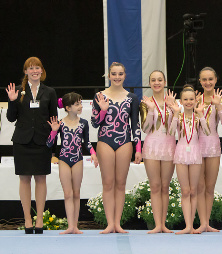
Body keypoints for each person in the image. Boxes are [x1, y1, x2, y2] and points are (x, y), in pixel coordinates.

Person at [6, 57, 57, 234]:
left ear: (42, 71)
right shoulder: (18, 91)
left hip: (42, 142)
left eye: (37, 68)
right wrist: (12, 101)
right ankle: (27, 218)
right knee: (24, 179)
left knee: (41, 178)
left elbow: (54, 122)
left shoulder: (49, 92)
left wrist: (53, 148)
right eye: (31, 68)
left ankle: (40, 219)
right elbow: (11, 118)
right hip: (22, 141)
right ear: (26, 72)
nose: (35, 71)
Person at [91, 62, 142, 234]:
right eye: (114, 74)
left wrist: (138, 148)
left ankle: (117, 223)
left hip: (125, 142)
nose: (117, 77)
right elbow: (95, 123)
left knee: (120, 184)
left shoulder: (132, 98)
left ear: (125, 76)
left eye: (120, 74)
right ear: (109, 75)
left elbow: (135, 124)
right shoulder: (100, 96)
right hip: (105, 140)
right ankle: (109, 223)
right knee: (108, 183)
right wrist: (103, 110)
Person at [47, 92, 98, 234]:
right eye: (77, 104)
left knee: (76, 193)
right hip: (63, 159)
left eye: (81, 103)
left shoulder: (84, 123)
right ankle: (70, 226)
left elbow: (87, 142)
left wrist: (93, 154)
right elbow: (49, 144)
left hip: (77, 159)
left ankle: (75, 226)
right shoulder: (60, 123)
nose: (81, 106)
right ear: (68, 108)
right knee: (68, 194)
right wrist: (53, 131)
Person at [167, 85, 210, 234]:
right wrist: (175, 114)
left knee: (193, 190)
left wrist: (202, 115)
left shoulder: (198, 116)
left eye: (191, 99)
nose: (189, 102)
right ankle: (187, 226)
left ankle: (192, 226)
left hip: (195, 153)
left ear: (195, 100)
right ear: (181, 101)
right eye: (185, 99)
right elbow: (171, 132)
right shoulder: (178, 116)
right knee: (185, 191)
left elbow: (207, 131)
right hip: (181, 153)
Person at [140, 70, 177, 233]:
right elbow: (146, 128)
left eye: (160, 80)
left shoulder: (172, 102)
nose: (157, 82)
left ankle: (164, 224)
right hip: (152, 146)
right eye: (153, 80)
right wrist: (151, 110)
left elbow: (173, 130)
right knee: (155, 186)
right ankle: (157, 225)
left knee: (164, 185)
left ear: (164, 82)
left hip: (169, 145)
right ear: (150, 83)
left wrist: (174, 110)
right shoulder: (146, 102)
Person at [196, 67, 222, 233]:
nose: (207, 82)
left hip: (213, 144)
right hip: (196, 144)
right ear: (200, 82)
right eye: (204, 80)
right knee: (199, 187)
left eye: (210, 79)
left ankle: (207, 223)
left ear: (216, 80)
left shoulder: (220, 100)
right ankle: (202, 222)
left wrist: (219, 107)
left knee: (210, 187)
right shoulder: (195, 100)